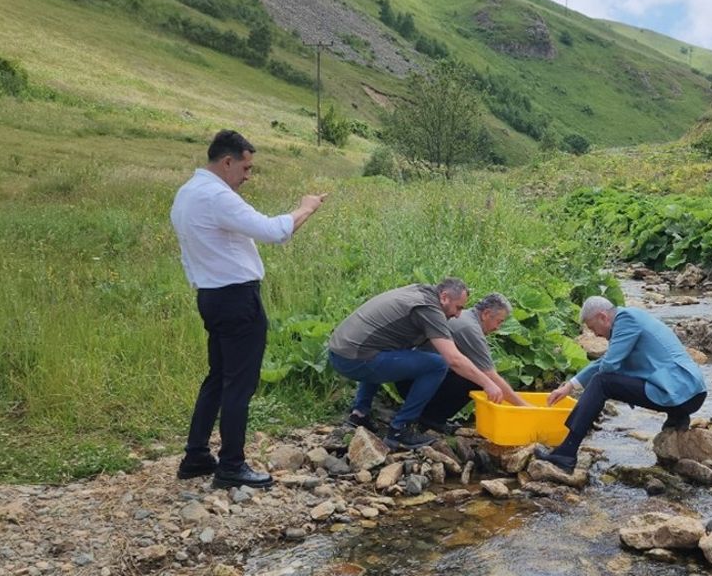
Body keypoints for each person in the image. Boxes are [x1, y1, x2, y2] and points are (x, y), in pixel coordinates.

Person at [171, 130, 327, 489]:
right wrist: (307, 207)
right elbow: (274, 231)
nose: (248, 175)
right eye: (246, 167)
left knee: (217, 377)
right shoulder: (217, 196)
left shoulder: (186, 194)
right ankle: (231, 465)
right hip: (236, 298)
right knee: (239, 384)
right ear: (227, 161)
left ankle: (196, 456)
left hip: (210, 295)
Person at [327, 278, 505, 449]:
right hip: (353, 360)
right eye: (458, 307)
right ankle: (400, 429)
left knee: (380, 347)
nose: (458, 314)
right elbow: (454, 359)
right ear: (444, 297)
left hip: (339, 352)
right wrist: (488, 384)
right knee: (439, 364)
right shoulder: (429, 309)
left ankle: (359, 413)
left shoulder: (419, 291)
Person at [537, 296, 707, 472]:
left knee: (601, 383)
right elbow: (607, 360)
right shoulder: (631, 316)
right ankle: (677, 418)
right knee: (602, 379)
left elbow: (608, 365)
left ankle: (566, 453)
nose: (595, 334)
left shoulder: (626, 320)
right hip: (690, 393)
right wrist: (569, 386)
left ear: (603, 317)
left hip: (680, 393)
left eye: (593, 328)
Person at [395, 293, 529, 433]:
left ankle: (431, 416)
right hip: (415, 383)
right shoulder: (470, 329)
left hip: (415, 376)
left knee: (474, 373)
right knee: (478, 380)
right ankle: (431, 417)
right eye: (499, 321)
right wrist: (525, 407)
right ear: (486, 314)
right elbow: (490, 375)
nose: (498, 327)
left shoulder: (466, 317)